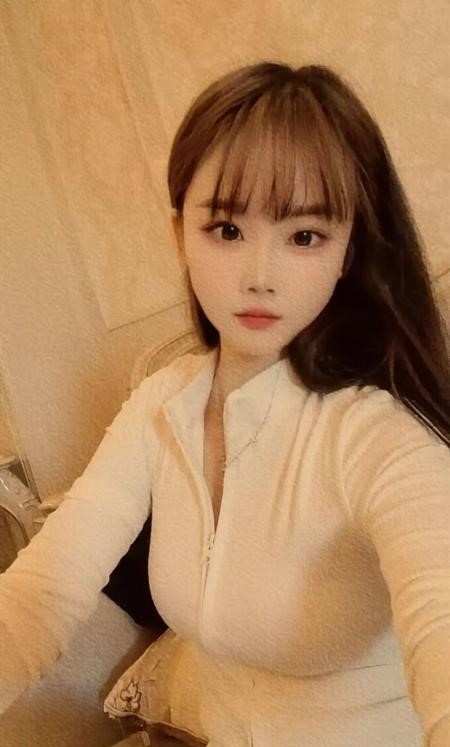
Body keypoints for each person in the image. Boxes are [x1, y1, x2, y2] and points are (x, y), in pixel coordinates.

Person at [0, 61, 449, 747]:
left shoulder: (376, 435)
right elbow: (44, 589)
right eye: (228, 230)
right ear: (180, 232)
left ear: (347, 254)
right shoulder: (160, 402)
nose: (260, 277)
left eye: (304, 236)